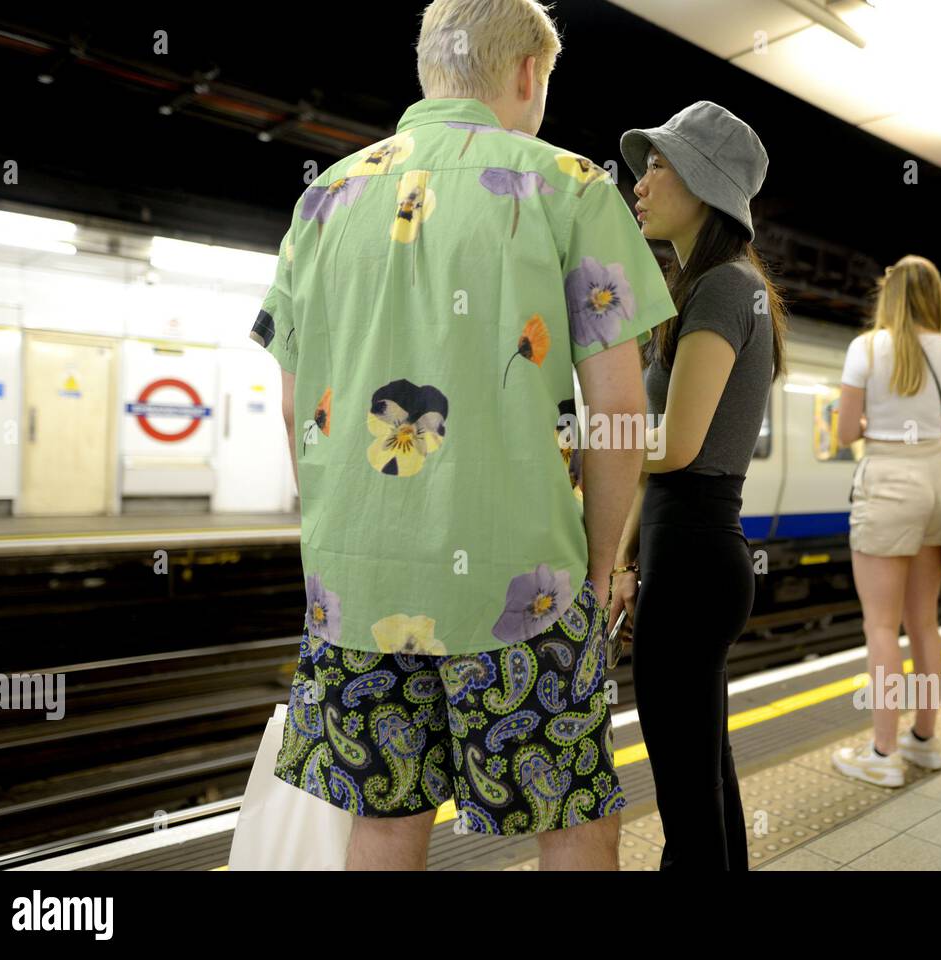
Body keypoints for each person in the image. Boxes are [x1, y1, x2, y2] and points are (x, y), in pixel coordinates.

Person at [248, 0, 677, 870]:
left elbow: (298, 410)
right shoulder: (574, 188)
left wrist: (340, 542)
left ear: (430, 68)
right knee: (577, 818)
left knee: (384, 820)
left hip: (356, 588)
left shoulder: (324, 199)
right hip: (527, 588)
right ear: (527, 74)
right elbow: (621, 414)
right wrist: (597, 572)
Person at [607, 101, 787, 869]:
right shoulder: (708, 288)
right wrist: (621, 559)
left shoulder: (720, 288)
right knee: (706, 787)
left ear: (704, 185)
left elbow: (675, 447)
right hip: (684, 553)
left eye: (657, 165)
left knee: (688, 806)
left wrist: (584, 443)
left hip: (692, 559)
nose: (639, 180)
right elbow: (665, 461)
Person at [830, 255, 941, 789]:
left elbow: (844, 431)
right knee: (924, 621)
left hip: (887, 480)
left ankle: (882, 752)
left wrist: (873, 418)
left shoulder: (866, 347)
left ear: (889, 296)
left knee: (881, 626)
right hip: (938, 479)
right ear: (934, 297)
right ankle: (925, 742)